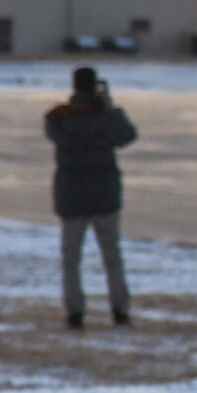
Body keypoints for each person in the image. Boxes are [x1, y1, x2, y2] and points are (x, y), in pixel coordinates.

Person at [45, 66, 138, 330]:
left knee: (71, 258)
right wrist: (110, 107)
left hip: (72, 195)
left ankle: (74, 312)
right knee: (112, 256)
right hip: (104, 193)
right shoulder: (105, 118)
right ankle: (120, 310)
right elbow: (127, 136)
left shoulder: (59, 119)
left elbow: (54, 133)